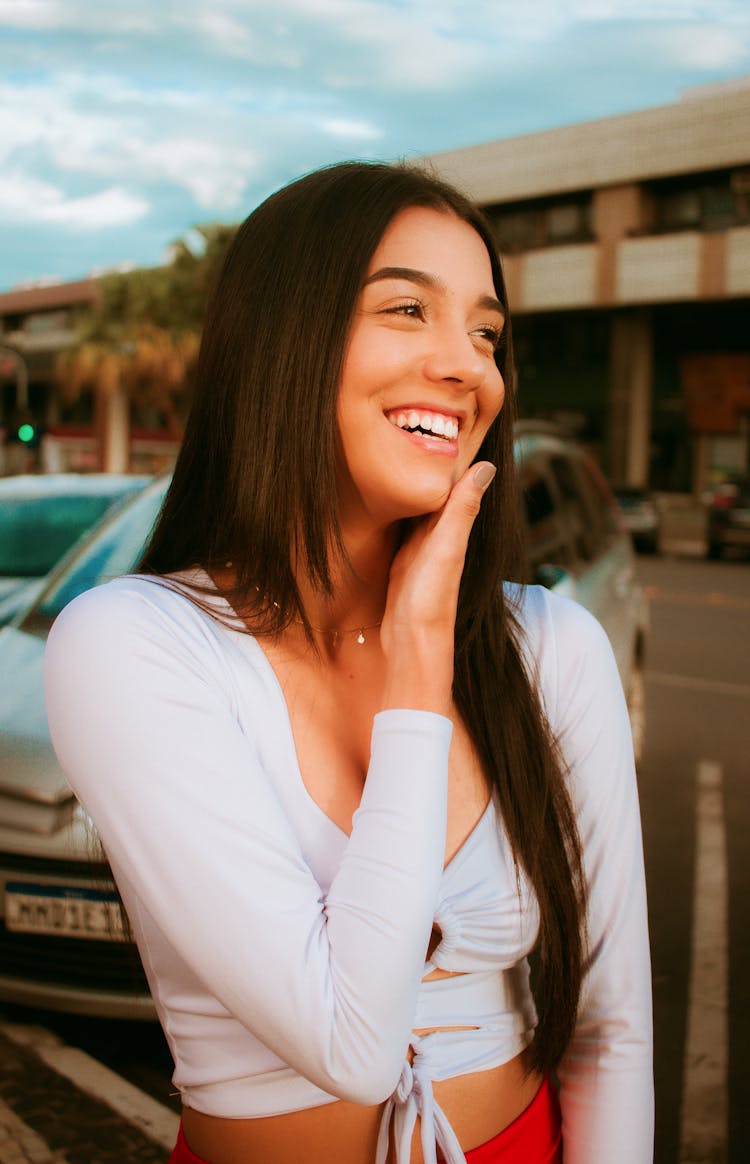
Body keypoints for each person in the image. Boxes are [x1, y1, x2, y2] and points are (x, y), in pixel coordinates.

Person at [44, 160, 653, 1164]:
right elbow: (355, 1045)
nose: (468, 366)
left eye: (487, 333)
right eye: (408, 309)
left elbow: (610, 1025)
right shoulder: (134, 644)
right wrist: (418, 679)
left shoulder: (550, 649)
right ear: (284, 342)